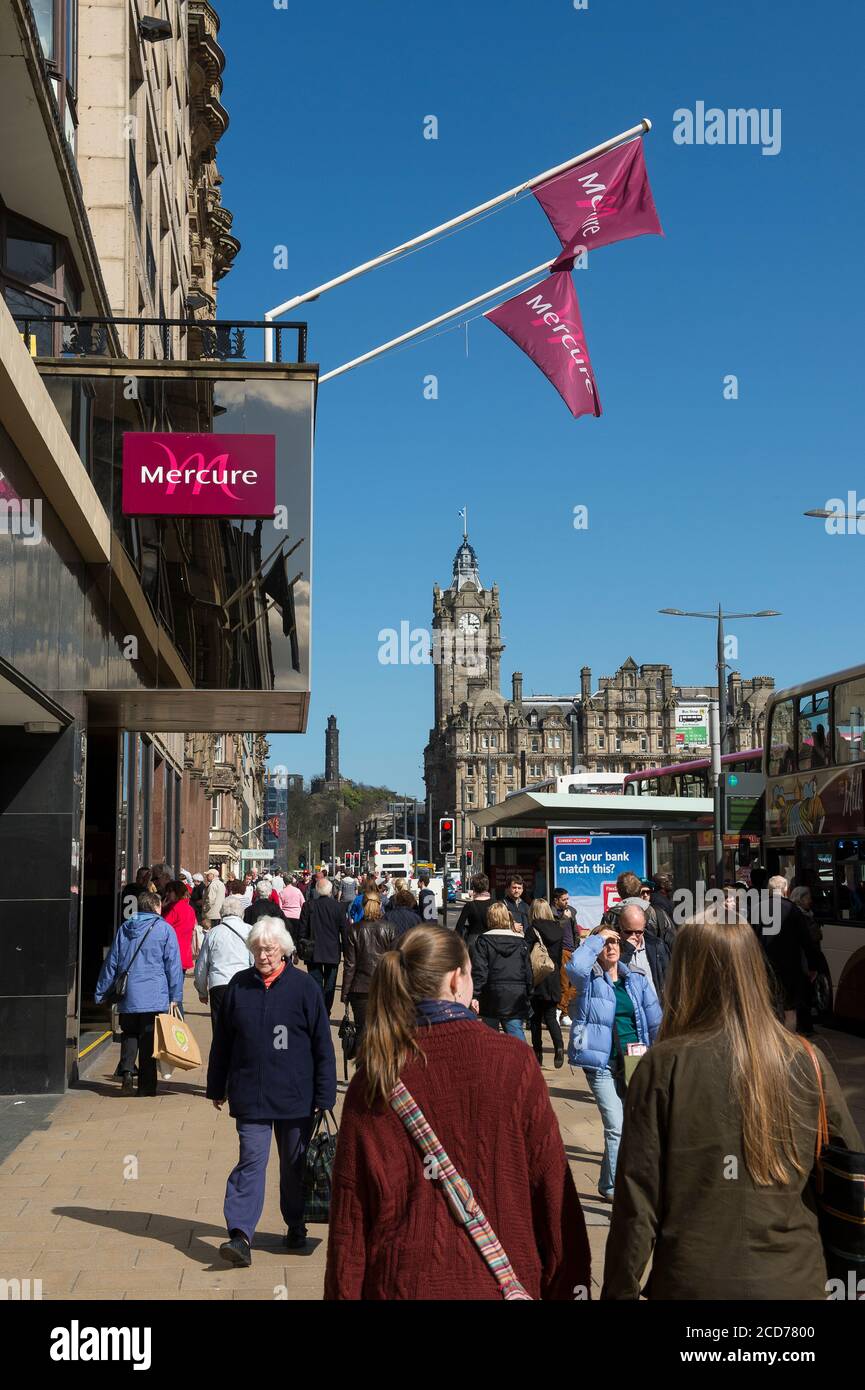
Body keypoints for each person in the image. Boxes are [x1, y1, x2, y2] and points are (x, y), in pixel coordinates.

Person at [602, 914, 862, 1300]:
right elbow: (850, 1169)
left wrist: (619, 1291)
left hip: (691, 1281)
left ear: (684, 976)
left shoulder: (661, 1066)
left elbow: (636, 1205)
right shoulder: (808, 1061)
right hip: (795, 1280)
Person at [324, 924, 591, 1300]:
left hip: (401, 1283)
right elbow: (552, 1188)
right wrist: (569, 1285)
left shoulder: (376, 1075)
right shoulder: (513, 1061)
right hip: (502, 1282)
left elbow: (350, 1221)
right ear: (454, 980)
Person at [207, 917, 336, 1266]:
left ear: (284, 950)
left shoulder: (304, 987)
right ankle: (240, 1235)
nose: (263, 955)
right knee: (251, 1162)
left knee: (294, 1166)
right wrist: (216, 1085)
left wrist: (325, 1096)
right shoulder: (238, 986)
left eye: (269, 949)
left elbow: (323, 1045)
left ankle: (296, 1224)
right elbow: (223, 1042)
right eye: (258, 949)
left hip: (296, 1098)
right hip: (250, 1095)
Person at [566, 924, 662, 1202]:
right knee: (616, 1126)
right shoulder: (589, 979)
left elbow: (655, 1021)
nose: (611, 946)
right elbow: (574, 966)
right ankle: (617, 1190)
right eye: (606, 943)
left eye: (615, 941)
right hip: (601, 1062)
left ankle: (607, 1184)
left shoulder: (636, 979)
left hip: (634, 1057)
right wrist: (598, 939)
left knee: (630, 1124)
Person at [95, 891, 184, 1096]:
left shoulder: (125, 928)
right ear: (155, 907)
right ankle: (146, 1086)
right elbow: (173, 965)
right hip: (154, 993)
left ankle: (126, 1072)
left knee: (129, 1033)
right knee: (148, 1038)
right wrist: (175, 996)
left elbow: (113, 962)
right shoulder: (164, 929)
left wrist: (101, 991)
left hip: (129, 992)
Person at [764, 875, 822, 1030]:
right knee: (790, 1007)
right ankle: (789, 1039)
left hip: (764, 966)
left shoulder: (757, 909)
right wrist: (813, 965)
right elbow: (806, 940)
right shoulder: (793, 910)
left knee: (769, 1005)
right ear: (785, 890)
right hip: (790, 966)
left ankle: (772, 1036)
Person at [470, 901, 533, 1042]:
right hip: (516, 993)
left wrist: (475, 995)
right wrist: (529, 992)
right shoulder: (521, 942)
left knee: (490, 1037)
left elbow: (480, 970)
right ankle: (522, 1061)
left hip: (491, 993)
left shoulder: (483, 941)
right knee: (515, 1033)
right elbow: (527, 971)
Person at [341, 895, 397, 1046]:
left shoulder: (355, 929)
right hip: (384, 987)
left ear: (364, 906)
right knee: (384, 1031)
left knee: (362, 1032)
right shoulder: (389, 928)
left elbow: (350, 964)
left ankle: (363, 1066)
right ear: (379, 906)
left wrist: (345, 993)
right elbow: (394, 961)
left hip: (360, 989)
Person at [194, 893, 254, 1029]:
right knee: (243, 1028)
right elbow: (254, 960)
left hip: (219, 984)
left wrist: (202, 992)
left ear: (222, 913)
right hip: (244, 984)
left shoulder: (213, 933)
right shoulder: (250, 931)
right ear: (241, 913)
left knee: (221, 1031)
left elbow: (201, 966)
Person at [525, 898, 565, 1068]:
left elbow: (526, 955)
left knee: (535, 1018)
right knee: (550, 1016)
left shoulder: (532, 930)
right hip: (553, 974)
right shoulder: (559, 928)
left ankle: (538, 1054)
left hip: (538, 976)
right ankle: (559, 1047)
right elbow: (560, 954)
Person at [298, 878, 345, 1016]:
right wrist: (347, 951)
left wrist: (300, 945)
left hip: (313, 950)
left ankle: (318, 1008)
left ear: (317, 890)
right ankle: (325, 1009)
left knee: (315, 982)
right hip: (332, 950)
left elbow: (302, 929)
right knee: (330, 984)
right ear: (331, 891)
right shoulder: (338, 907)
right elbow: (344, 930)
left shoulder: (309, 905)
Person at [616, 902, 671, 1000]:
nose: (633, 936)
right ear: (620, 926)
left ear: (644, 927)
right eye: (628, 932)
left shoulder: (656, 946)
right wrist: (628, 951)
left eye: (638, 932)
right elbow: (615, 976)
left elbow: (668, 978)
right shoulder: (613, 947)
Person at [552, 887, 578, 1024]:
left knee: (575, 983)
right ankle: (561, 1012)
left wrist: (577, 947)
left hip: (572, 950)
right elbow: (554, 931)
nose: (567, 902)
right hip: (562, 950)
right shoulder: (552, 913)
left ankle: (562, 1010)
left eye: (568, 899)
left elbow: (575, 932)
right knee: (564, 983)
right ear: (556, 900)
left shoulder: (571, 911)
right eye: (564, 899)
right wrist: (564, 918)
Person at [162, 879, 197, 974]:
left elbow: (162, 928)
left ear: (177, 893)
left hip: (172, 952)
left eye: (170, 891)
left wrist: (161, 909)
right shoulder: (190, 908)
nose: (167, 894)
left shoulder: (173, 909)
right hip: (184, 952)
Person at [454, 873, 492, 946]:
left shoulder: (470, 906)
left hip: (474, 942)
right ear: (487, 887)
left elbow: (459, 928)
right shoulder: (496, 904)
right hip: (491, 941)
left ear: (473, 888)